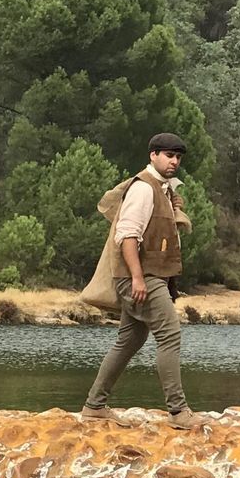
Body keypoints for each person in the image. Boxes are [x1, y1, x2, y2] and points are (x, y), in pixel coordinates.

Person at [80, 133, 208, 430]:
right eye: (168, 155)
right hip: (143, 278)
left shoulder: (161, 189)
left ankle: (94, 406)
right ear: (153, 156)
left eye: (178, 157)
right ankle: (178, 412)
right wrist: (137, 278)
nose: (174, 161)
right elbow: (126, 236)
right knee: (170, 334)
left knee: (129, 340)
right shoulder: (143, 189)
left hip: (149, 277)